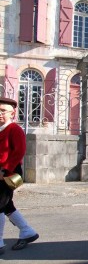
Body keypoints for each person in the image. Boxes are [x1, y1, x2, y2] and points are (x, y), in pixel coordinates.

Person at [0, 97, 39, 255]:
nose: (0, 114)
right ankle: (27, 231)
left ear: (12, 113)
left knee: (0, 205)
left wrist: (5, 170)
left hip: (9, 172)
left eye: (3, 111)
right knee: (6, 205)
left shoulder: (14, 129)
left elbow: (19, 152)